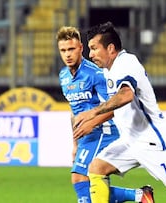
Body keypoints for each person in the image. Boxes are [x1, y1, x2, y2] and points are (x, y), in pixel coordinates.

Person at [72, 22, 166, 203]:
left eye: (94, 48)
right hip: (130, 141)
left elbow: (126, 95)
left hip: (153, 141)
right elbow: (116, 105)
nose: (91, 54)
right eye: (89, 49)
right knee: (96, 169)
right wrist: (93, 122)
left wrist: (92, 114)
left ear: (110, 48)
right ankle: (142, 197)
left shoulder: (126, 63)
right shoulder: (109, 71)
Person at [56, 26, 154, 203]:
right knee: (89, 183)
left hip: (104, 131)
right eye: (63, 50)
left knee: (80, 178)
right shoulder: (63, 76)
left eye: (71, 49)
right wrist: (75, 144)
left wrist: (92, 122)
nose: (67, 54)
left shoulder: (96, 74)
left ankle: (139, 196)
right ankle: (140, 196)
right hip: (86, 136)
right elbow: (74, 112)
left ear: (81, 48)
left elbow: (113, 106)